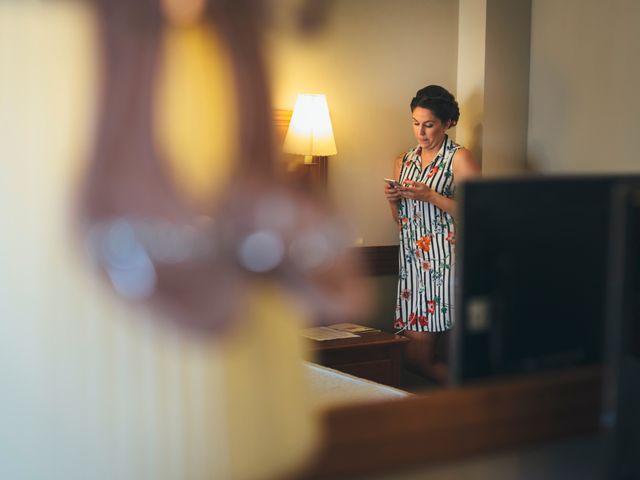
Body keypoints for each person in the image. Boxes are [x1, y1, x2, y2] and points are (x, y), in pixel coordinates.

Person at [384, 85, 480, 384]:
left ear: (447, 123)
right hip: (414, 266)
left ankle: (473, 406)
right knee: (413, 357)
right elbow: (403, 223)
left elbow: (480, 213)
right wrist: (393, 201)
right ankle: (473, 401)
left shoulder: (459, 158)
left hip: (448, 265)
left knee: (448, 355)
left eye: (428, 125)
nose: (420, 133)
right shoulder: (404, 160)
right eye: (415, 123)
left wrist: (433, 196)